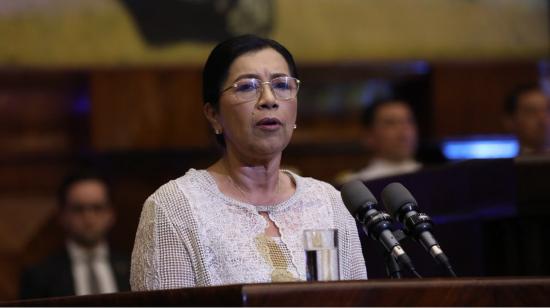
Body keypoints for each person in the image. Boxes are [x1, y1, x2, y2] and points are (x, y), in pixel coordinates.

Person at [130, 35, 367, 290]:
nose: (269, 99)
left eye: (282, 85)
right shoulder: (174, 207)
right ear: (213, 115)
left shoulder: (329, 203)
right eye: (247, 87)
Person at [19, 170, 130, 299]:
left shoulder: (132, 270)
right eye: (78, 209)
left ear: (111, 214)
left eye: (97, 208)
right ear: (62, 215)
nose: (89, 218)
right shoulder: (39, 276)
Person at [336, 98, 421, 184]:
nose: (404, 129)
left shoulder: (430, 175)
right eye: (390, 123)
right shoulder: (353, 184)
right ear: (368, 136)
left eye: (409, 121)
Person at [504, 84, 550, 156]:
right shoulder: (501, 166)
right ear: (510, 122)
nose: (543, 120)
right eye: (531, 112)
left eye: (547, 110)